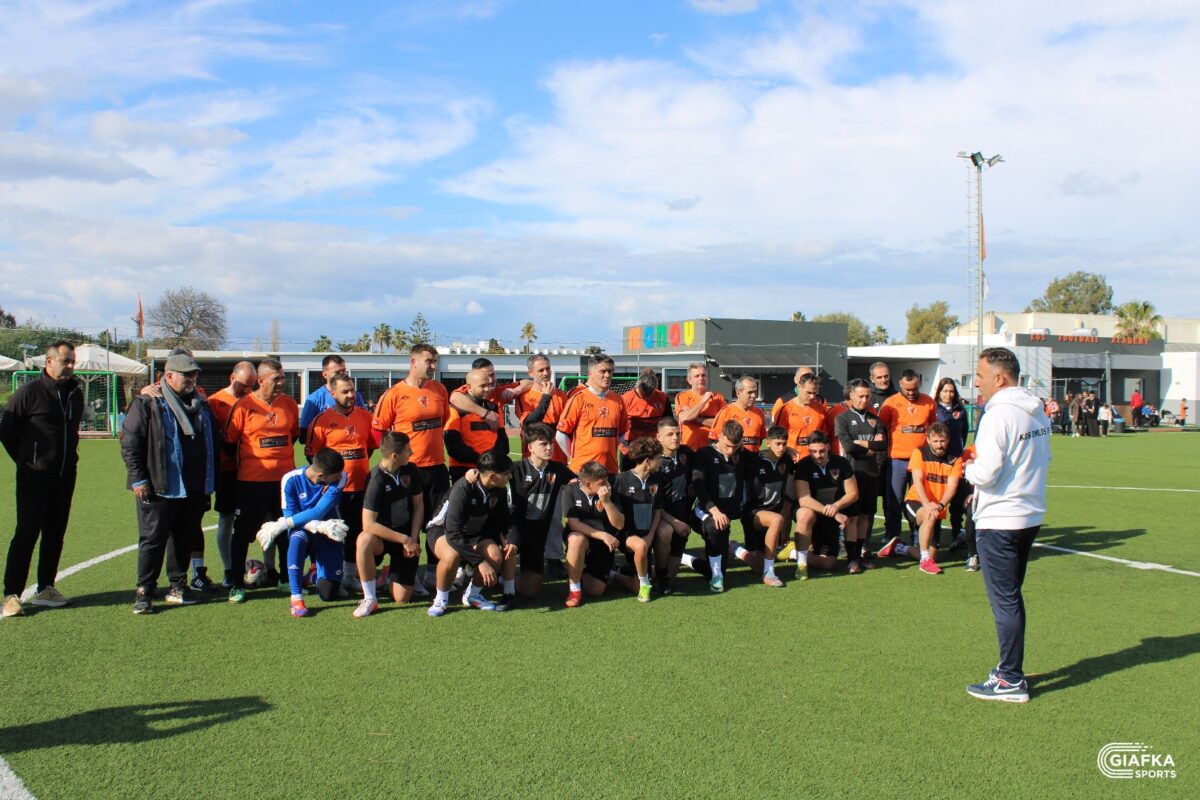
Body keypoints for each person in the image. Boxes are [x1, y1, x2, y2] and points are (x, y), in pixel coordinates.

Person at [963, 347, 1051, 704]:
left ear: (999, 378)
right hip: (1029, 514)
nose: (977, 383)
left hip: (1000, 518)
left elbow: (987, 473)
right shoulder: (1037, 410)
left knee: (1005, 601)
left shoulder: (997, 415)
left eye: (980, 376)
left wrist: (968, 468)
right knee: (1011, 597)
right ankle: (1009, 670)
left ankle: (1010, 678)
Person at [120, 352, 219, 614]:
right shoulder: (148, 402)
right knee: (153, 539)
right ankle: (145, 591)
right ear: (169, 376)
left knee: (184, 537)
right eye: (186, 375)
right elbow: (130, 443)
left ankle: (177, 586)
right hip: (159, 485)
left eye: (194, 375)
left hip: (194, 485)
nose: (191, 379)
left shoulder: (201, 404)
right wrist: (138, 479)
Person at [1, 341, 84, 618]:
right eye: (65, 361)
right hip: (34, 477)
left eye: (72, 361)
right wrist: (27, 461)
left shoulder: (75, 393)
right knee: (26, 533)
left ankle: (46, 588)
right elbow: (7, 431)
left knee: (55, 534)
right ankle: (11, 595)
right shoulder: (29, 392)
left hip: (65, 476)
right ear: (49, 362)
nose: (70, 366)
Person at [371, 344, 451, 594]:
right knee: (407, 524)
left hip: (436, 468)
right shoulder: (394, 394)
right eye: (429, 361)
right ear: (413, 362)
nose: (433, 366)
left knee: (437, 523)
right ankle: (408, 574)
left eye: (435, 361)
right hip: (408, 470)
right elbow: (378, 431)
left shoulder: (439, 390)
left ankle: (433, 573)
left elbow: (444, 420)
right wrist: (392, 461)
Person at [225, 359, 301, 602]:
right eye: (276, 379)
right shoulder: (243, 406)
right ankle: (236, 584)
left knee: (285, 531)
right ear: (260, 380)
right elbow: (229, 442)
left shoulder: (289, 405)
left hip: (284, 482)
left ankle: (286, 580)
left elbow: (293, 436)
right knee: (243, 534)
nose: (281, 383)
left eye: (282, 378)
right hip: (251, 482)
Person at [306, 373, 377, 593]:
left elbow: (370, 447)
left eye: (352, 390)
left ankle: (348, 575)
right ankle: (328, 575)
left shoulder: (365, 416)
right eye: (345, 391)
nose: (350, 395)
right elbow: (313, 457)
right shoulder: (321, 420)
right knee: (333, 533)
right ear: (332, 393)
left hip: (361, 487)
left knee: (356, 532)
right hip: (333, 490)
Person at [259, 448, 348, 618]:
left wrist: (281, 525)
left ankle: (315, 574)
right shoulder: (290, 479)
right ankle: (296, 598)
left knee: (328, 594)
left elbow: (319, 511)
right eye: (335, 475)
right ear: (322, 476)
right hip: (307, 530)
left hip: (329, 532)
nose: (340, 477)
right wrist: (318, 526)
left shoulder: (341, 477)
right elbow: (291, 517)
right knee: (296, 538)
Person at [425, 451, 516, 616]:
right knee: (452, 555)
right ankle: (440, 599)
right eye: (506, 474)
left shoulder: (500, 490)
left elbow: (505, 520)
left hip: (473, 533)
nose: (510, 476)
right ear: (493, 477)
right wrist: (480, 561)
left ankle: (473, 595)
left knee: (495, 555)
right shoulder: (463, 488)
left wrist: (510, 539)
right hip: (442, 531)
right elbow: (453, 534)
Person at [510, 354, 570, 578]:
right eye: (540, 370)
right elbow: (530, 423)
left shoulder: (561, 396)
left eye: (548, 369)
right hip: (531, 465)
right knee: (526, 512)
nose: (546, 373)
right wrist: (545, 396)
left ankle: (554, 558)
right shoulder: (524, 396)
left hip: (557, 463)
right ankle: (522, 553)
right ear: (530, 373)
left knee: (554, 514)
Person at [353, 431, 424, 618]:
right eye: (408, 450)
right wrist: (404, 539)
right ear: (395, 456)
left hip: (406, 537)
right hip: (382, 538)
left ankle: (387, 574)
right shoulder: (375, 478)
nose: (412, 453)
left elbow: (418, 506)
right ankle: (370, 598)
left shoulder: (411, 470)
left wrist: (413, 539)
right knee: (364, 540)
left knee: (402, 598)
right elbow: (368, 524)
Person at [878, 423, 962, 575]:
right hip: (915, 502)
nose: (939, 445)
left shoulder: (955, 460)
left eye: (942, 441)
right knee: (929, 515)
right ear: (928, 440)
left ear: (948, 440)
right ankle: (924, 561)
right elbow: (917, 481)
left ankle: (899, 548)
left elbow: (952, 487)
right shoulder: (919, 453)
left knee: (933, 555)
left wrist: (940, 505)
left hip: (937, 508)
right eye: (935, 441)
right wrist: (927, 504)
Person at [506, 423, 576, 600]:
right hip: (513, 530)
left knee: (530, 591)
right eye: (543, 444)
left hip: (537, 535)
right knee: (501, 553)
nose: (549, 447)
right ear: (530, 447)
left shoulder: (558, 469)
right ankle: (503, 585)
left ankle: (506, 580)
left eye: (550, 443)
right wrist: (472, 473)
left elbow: (579, 482)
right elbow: (489, 472)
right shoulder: (516, 468)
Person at [206, 361, 256, 588]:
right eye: (243, 385)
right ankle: (228, 569)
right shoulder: (214, 402)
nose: (247, 390)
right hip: (227, 471)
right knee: (226, 518)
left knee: (260, 517)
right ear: (232, 378)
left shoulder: (254, 401)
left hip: (252, 471)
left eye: (251, 386)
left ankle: (270, 568)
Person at [834, 378, 887, 573]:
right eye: (861, 396)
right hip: (852, 475)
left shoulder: (876, 419)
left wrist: (861, 444)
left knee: (865, 516)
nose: (865, 400)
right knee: (852, 518)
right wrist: (871, 445)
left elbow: (882, 445)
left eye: (867, 396)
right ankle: (852, 558)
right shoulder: (842, 419)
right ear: (851, 396)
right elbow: (848, 447)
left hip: (871, 474)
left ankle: (860, 554)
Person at [691, 420, 751, 593]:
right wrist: (715, 511)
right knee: (716, 526)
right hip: (703, 511)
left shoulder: (742, 454)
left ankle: (686, 559)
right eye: (727, 446)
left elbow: (763, 460)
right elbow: (698, 485)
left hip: (726, 517)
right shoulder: (704, 454)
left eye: (735, 446)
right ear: (720, 436)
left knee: (715, 564)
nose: (730, 451)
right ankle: (716, 576)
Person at [878, 370, 936, 544]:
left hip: (921, 461)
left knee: (919, 500)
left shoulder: (928, 402)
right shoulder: (890, 403)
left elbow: (934, 429)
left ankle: (918, 537)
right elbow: (881, 428)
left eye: (914, 389)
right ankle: (892, 536)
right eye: (907, 389)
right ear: (900, 385)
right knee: (894, 500)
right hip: (897, 460)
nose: (911, 392)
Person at [561, 460, 627, 607]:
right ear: (588, 484)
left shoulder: (610, 491)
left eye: (607, 481)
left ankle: (594, 572)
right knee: (576, 539)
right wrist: (603, 535)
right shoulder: (570, 490)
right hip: (585, 538)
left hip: (603, 544)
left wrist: (607, 502)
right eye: (602, 483)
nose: (607, 485)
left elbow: (619, 524)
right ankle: (574, 590)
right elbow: (573, 524)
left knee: (595, 590)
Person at [733, 425, 793, 586]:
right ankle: (769, 573)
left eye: (784, 444)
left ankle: (735, 548)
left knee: (757, 566)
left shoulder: (787, 460)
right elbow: (735, 450)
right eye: (777, 444)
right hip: (752, 513)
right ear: (768, 443)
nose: (781, 448)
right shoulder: (754, 460)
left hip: (772, 516)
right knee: (776, 519)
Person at [792, 431, 859, 576]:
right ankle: (801, 564)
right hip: (813, 512)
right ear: (808, 449)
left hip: (832, 512)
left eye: (822, 451)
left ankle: (794, 551)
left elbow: (853, 493)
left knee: (827, 564)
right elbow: (804, 499)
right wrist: (833, 513)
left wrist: (836, 506)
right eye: (813, 451)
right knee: (804, 514)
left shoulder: (841, 463)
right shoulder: (803, 465)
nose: (818, 455)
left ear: (828, 447)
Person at [611, 437, 665, 602]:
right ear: (648, 461)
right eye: (658, 458)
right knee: (640, 546)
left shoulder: (656, 480)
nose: (660, 461)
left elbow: (657, 511)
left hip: (646, 537)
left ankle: (618, 573)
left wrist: (650, 535)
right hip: (627, 536)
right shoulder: (620, 480)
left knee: (647, 556)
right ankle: (643, 585)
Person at [556, 353, 628, 474]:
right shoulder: (578, 398)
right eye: (603, 371)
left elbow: (622, 433)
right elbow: (561, 434)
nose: (607, 375)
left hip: (610, 470)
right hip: (583, 471)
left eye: (610, 371)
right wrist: (574, 457)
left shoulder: (618, 400)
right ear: (590, 374)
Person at [653, 416, 697, 592]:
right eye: (670, 434)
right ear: (659, 437)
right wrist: (675, 522)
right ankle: (658, 575)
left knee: (671, 577)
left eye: (678, 434)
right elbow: (655, 504)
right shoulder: (654, 462)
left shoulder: (685, 453)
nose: (675, 438)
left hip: (683, 515)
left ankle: (636, 572)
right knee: (665, 532)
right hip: (660, 516)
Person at [443, 366, 508, 482]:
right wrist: (482, 460)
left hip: (491, 469)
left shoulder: (494, 408)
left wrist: (491, 461)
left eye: (488, 385)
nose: (487, 389)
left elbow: (503, 441)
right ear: (469, 387)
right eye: (482, 386)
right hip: (464, 470)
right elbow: (453, 446)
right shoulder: (455, 409)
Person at [934, 377, 970, 549]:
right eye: (945, 391)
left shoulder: (960, 411)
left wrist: (958, 453)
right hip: (938, 461)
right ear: (939, 392)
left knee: (957, 498)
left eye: (951, 391)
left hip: (955, 460)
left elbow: (963, 434)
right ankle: (935, 536)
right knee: (938, 497)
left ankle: (957, 533)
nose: (948, 395)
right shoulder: (934, 409)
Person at [298, 354, 365, 442]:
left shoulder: (355, 396)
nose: (342, 375)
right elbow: (303, 436)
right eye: (337, 372)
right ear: (325, 374)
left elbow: (364, 424)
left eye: (343, 371)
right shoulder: (314, 400)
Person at [773, 372, 831, 461]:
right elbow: (775, 437)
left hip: (815, 460)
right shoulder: (785, 409)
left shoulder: (820, 408)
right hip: (793, 460)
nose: (812, 396)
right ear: (799, 387)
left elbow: (825, 436)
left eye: (815, 393)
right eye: (808, 392)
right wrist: (787, 449)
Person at [621, 370, 669, 468]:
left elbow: (668, 423)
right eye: (643, 395)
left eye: (649, 395)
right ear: (637, 387)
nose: (646, 399)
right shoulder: (625, 399)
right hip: (630, 446)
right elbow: (619, 425)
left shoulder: (662, 398)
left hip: (653, 446)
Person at [673, 363, 725, 452]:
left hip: (713, 449)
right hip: (688, 449)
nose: (701, 378)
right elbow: (684, 418)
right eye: (697, 376)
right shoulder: (683, 396)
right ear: (689, 380)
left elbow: (722, 424)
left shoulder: (718, 397)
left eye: (703, 375)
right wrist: (703, 400)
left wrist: (696, 419)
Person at [709, 376, 766, 451]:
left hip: (753, 457)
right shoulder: (726, 411)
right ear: (738, 393)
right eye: (749, 392)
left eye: (755, 392)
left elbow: (760, 439)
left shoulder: (759, 413)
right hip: (732, 457)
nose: (754, 396)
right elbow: (714, 439)